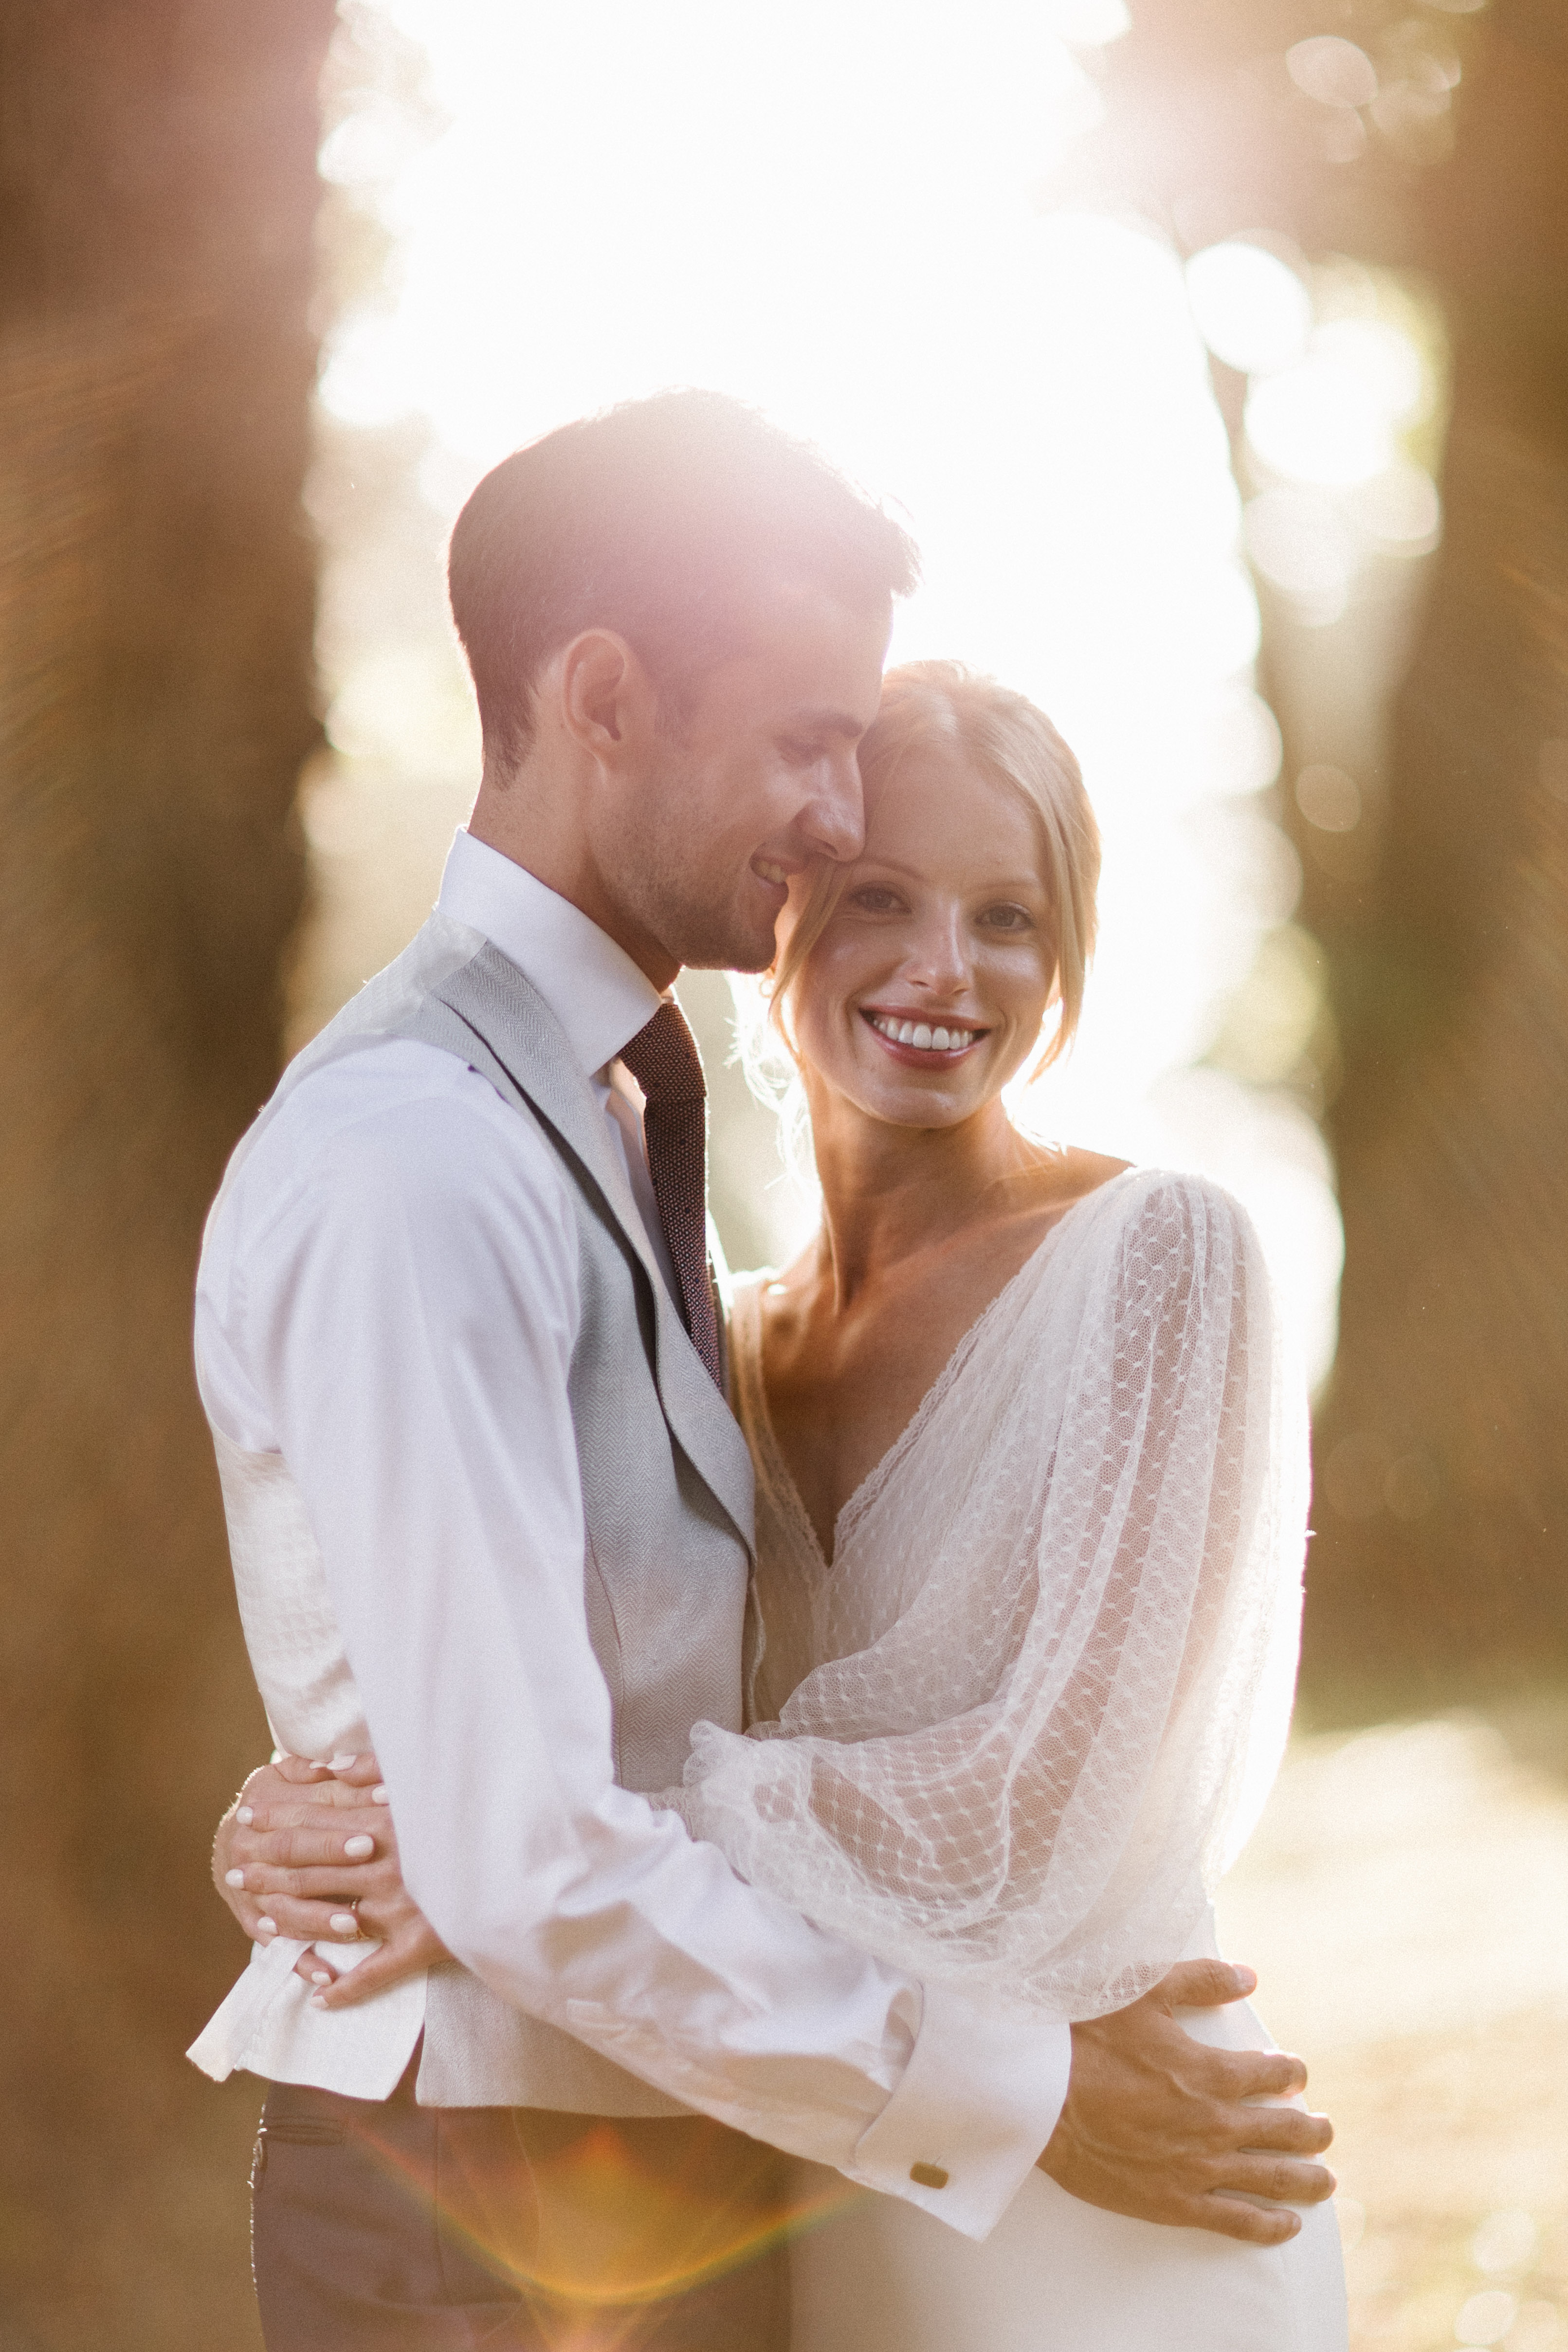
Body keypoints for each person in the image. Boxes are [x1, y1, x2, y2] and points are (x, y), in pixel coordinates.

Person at [195, 392, 1335, 2351]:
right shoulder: (422, 1151)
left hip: (767, 2167)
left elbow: (543, 1761)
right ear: (610, 698)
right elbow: (519, 1832)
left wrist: (444, 1821)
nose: (830, 818)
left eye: (1003, 912)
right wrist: (425, 1827)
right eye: (812, 757)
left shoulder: (614, 1153)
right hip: (508, 2190)